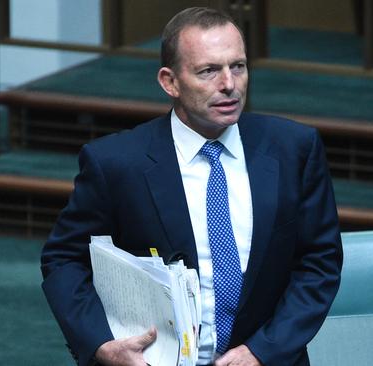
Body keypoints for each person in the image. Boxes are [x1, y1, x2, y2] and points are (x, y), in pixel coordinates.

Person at [41, 7, 342, 366]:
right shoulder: (117, 163)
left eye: (238, 66)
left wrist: (263, 351)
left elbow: (319, 263)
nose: (229, 84)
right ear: (170, 82)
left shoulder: (294, 148)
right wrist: (102, 344)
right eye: (208, 71)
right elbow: (64, 260)